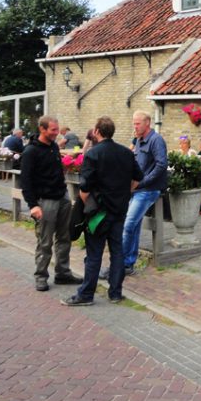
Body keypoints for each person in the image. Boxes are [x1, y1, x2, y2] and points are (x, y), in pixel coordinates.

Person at [62, 116, 143, 306]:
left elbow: (84, 188)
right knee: (117, 252)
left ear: (97, 132)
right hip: (119, 210)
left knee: (94, 253)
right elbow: (138, 178)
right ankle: (115, 293)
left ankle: (86, 294)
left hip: (99, 212)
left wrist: (90, 206)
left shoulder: (93, 154)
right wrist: (125, 193)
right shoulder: (126, 152)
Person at [101, 111, 167, 279]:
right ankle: (128, 264)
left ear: (147, 123)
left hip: (148, 190)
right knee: (134, 226)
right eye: (134, 123)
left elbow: (161, 165)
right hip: (137, 190)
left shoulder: (156, 140)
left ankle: (118, 266)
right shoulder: (138, 140)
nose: (135, 127)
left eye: (137, 124)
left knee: (127, 225)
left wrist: (141, 182)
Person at [20, 115, 82, 292]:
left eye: (57, 129)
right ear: (42, 129)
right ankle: (41, 275)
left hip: (61, 197)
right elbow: (25, 181)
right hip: (45, 201)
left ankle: (63, 273)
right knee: (45, 241)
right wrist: (33, 205)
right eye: (53, 130)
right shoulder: (31, 152)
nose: (57, 133)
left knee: (64, 237)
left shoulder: (54, 147)